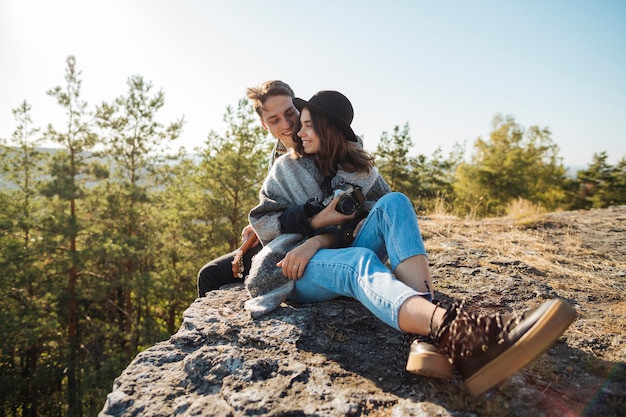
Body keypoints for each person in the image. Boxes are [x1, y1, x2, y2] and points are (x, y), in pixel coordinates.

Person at [244, 90, 576, 396]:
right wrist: (313, 225)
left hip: (332, 246)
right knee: (356, 260)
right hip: (296, 268)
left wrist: (324, 236)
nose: (296, 132)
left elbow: (379, 211)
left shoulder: (355, 165)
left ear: (328, 129)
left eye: (305, 125)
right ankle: (457, 332)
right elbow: (263, 221)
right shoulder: (285, 169)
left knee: (397, 202)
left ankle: (426, 338)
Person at [196, 80, 299, 298]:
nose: (287, 123)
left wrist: (267, 224)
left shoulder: (317, 139)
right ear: (265, 125)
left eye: (290, 112)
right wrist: (256, 229)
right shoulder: (278, 152)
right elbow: (274, 206)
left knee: (213, 275)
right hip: (279, 235)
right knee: (209, 274)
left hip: (301, 240)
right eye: (274, 120)